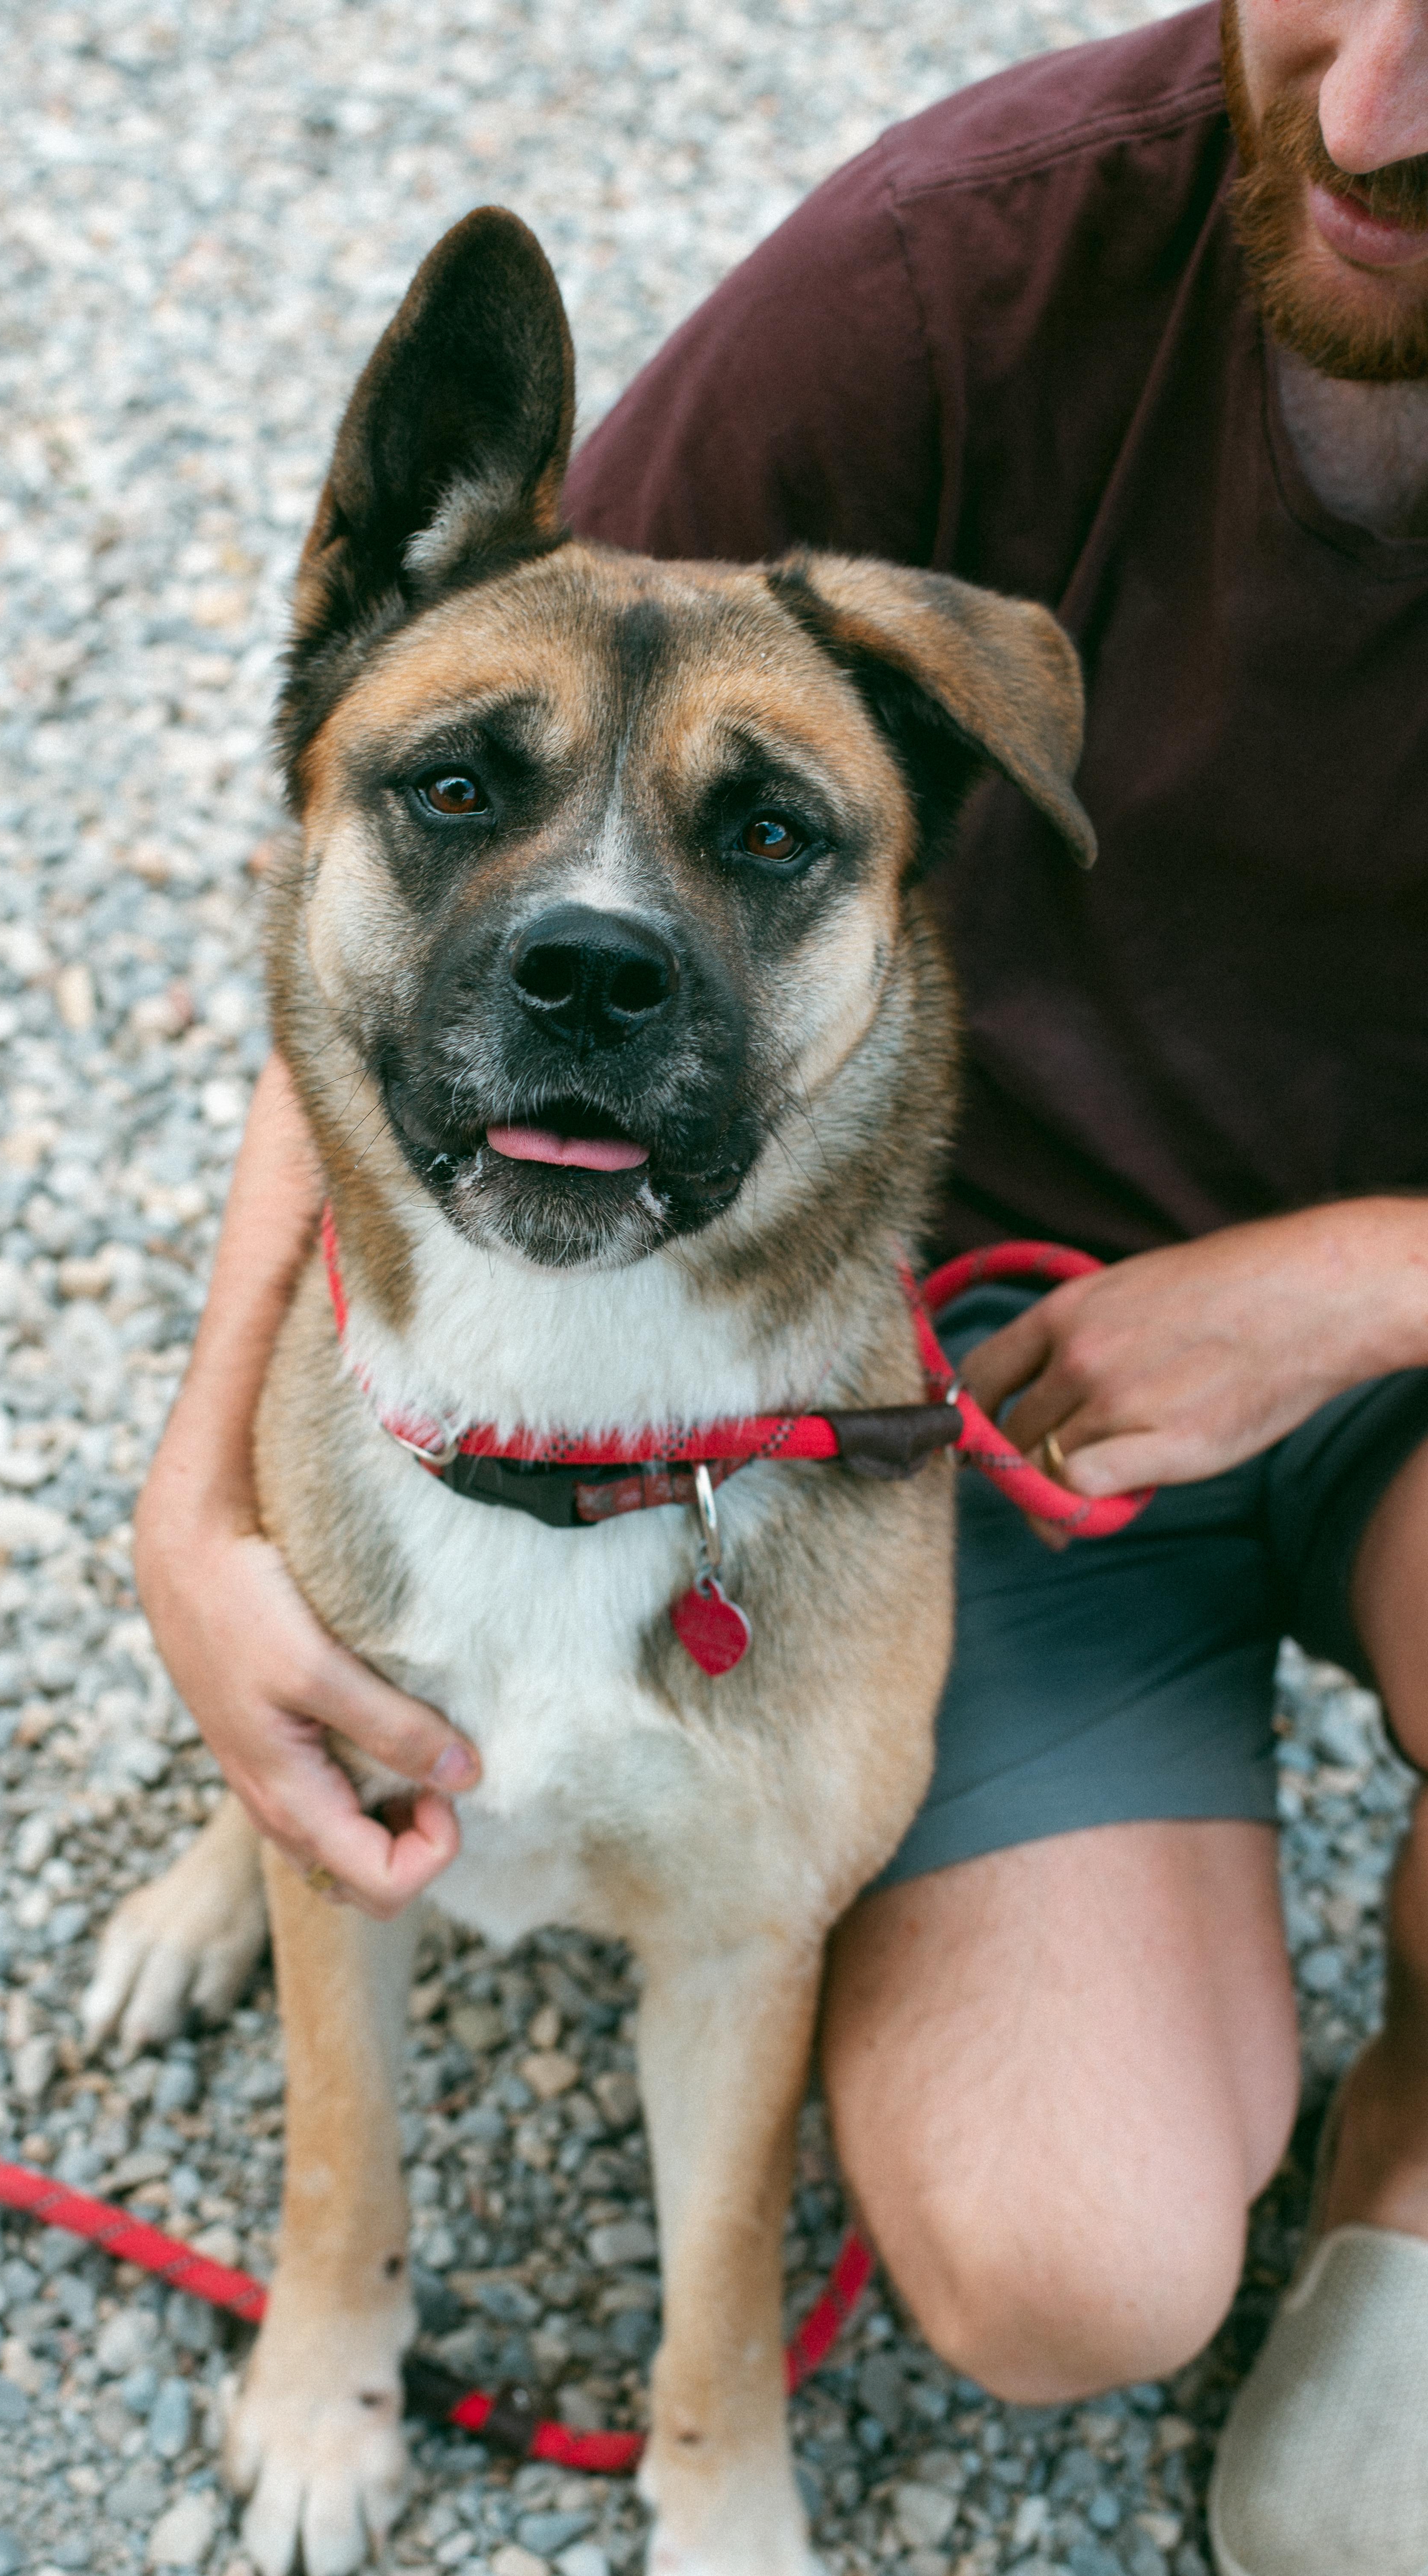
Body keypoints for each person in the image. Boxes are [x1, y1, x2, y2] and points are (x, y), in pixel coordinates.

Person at [130, 4, 1428, 2567]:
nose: (1379, 105)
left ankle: (1410, 2163)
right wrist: (195, 1528)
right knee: (1072, 2257)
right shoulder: (955, 279)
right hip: (951, 1403)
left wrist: (1373, 1275)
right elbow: (413, 778)